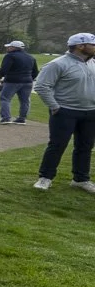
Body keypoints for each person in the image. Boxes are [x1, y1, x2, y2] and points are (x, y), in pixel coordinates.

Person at [33, 32, 95, 192]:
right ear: (80, 46)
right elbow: (41, 86)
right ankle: (45, 178)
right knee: (57, 145)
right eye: (92, 44)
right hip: (64, 111)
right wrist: (54, 106)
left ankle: (81, 179)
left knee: (85, 146)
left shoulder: (92, 63)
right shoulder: (58, 64)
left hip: (90, 112)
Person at [0, 39, 40, 125]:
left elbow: (4, 69)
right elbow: (35, 72)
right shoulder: (31, 57)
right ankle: (22, 119)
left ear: (13, 47)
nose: (8, 48)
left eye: (9, 47)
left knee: (5, 98)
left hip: (12, 81)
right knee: (25, 100)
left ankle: (6, 118)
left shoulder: (10, 56)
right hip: (27, 82)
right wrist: (29, 78)